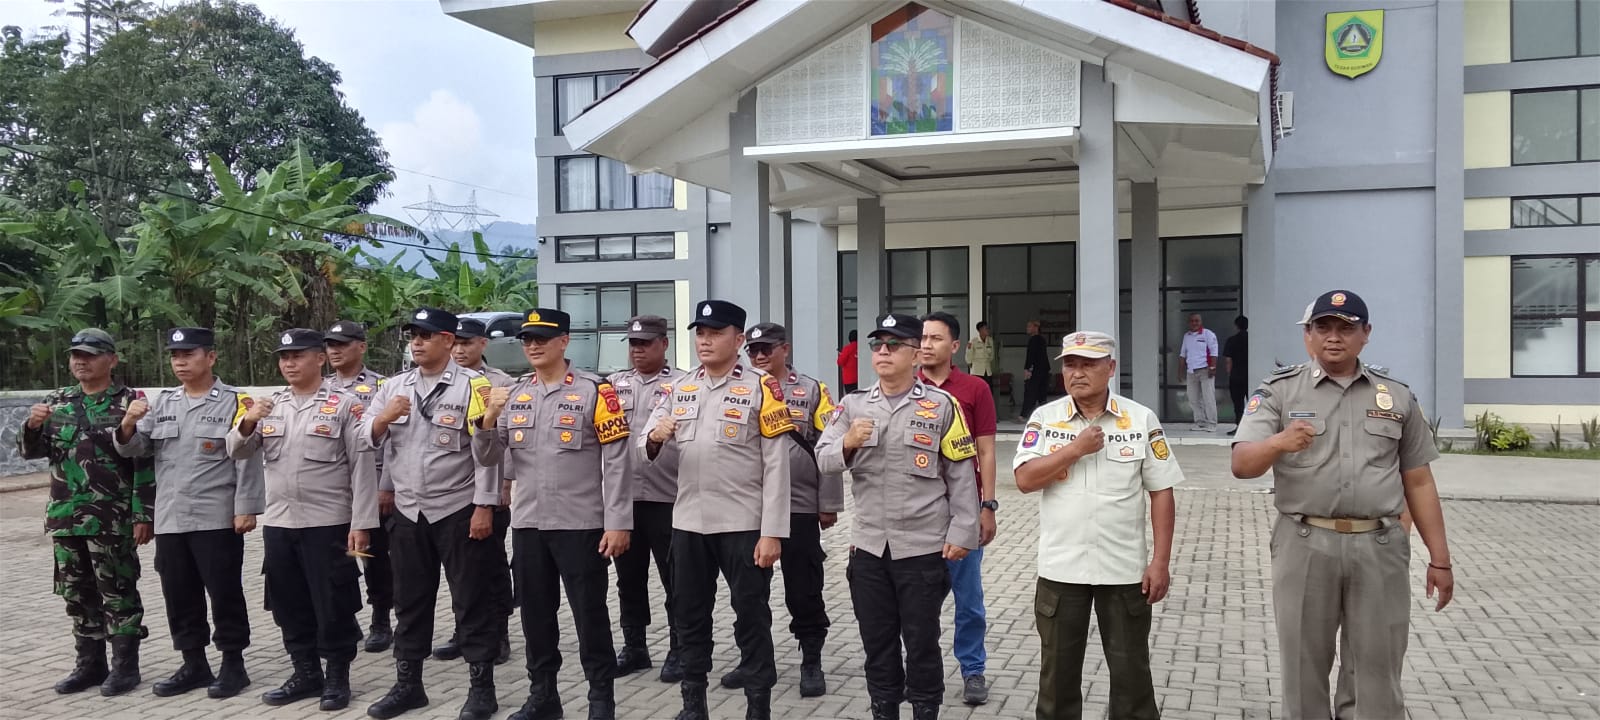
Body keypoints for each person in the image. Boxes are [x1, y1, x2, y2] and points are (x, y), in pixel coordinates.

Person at [1231, 290, 1455, 719]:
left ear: (1365, 334)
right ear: (1308, 337)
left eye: (1346, 328)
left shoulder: (1397, 397)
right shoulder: (1278, 392)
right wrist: (1279, 441)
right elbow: (1242, 464)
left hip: (1379, 546)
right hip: (1304, 542)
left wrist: (1439, 560)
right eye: (1324, 328)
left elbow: (1420, 481)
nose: (1334, 337)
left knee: (1377, 669)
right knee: (1303, 666)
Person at [816, 312, 980, 720]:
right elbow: (822, 458)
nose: (883, 352)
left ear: (914, 353)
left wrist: (964, 531)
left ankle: (926, 710)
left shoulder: (942, 406)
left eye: (893, 345)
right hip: (870, 548)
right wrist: (848, 444)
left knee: (923, 641)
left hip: (923, 548)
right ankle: (884, 709)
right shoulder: (852, 405)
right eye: (877, 346)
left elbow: (961, 473)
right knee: (877, 643)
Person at [1014, 331, 1183, 720]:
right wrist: (1074, 449)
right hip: (1062, 570)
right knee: (1057, 682)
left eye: (1089, 364)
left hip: (1124, 571)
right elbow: (1024, 480)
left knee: (1132, 680)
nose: (1077, 373)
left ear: (1110, 369)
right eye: (1070, 364)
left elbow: (1161, 492)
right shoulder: (1045, 418)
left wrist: (1160, 562)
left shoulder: (1140, 419)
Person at [474, 308, 634, 720]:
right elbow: (489, 456)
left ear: (564, 341)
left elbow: (616, 463)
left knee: (589, 614)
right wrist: (488, 418)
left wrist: (618, 522)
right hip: (529, 524)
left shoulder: (596, 392)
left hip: (581, 525)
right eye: (527, 340)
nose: (533, 346)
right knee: (535, 615)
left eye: (542, 338)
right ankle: (544, 695)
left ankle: (601, 699)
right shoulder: (515, 394)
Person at [639, 299, 793, 720]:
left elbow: (777, 464)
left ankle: (757, 704)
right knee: (689, 617)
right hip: (688, 522)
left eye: (715, 333)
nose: (705, 341)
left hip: (743, 524)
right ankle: (694, 701)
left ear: (739, 340)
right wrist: (655, 437)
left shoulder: (763, 387)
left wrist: (772, 532)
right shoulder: (681, 387)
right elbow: (644, 447)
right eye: (700, 334)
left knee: (752, 618)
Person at [359, 308, 504, 720]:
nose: (416, 343)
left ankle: (482, 688)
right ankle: (409, 685)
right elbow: (365, 440)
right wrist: (383, 420)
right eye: (412, 336)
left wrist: (484, 505)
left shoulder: (475, 386)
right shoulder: (393, 387)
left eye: (425, 335)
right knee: (410, 601)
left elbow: (488, 454)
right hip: (408, 510)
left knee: (471, 599)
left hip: (457, 508)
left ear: (447, 339)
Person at [229, 329, 379, 711]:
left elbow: (362, 469)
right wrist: (248, 420)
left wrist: (361, 523)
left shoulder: (345, 405)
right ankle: (304, 671)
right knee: (288, 602)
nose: (289, 364)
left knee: (333, 602)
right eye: (284, 358)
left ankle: (337, 677)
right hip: (281, 522)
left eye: (297, 356)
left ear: (319, 359)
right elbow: (237, 450)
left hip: (328, 522)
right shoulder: (269, 405)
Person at [114, 327, 263, 700]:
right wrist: (129, 422)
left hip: (215, 515)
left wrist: (245, 508)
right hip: (170, 516)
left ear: (210, 357)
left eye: (189, 354)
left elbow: (246, 458)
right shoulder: (162, 403)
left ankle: (233, 664)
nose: (180, 362)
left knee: (224, 591)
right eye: (175, 356)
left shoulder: (234, 402)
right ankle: (193, 662)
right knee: (178, 593)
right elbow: (135, 450)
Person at [19, 328, 154, 697]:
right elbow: (32, 452)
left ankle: (125, 668)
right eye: (76, 354)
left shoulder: (129, 402)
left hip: (111, 518)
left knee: (117, 591)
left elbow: (143, 463)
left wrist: (143, 515)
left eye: (91, 355)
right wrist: (32, 425)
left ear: (112, 360)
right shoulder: (57, 401)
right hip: (66, 516)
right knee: (76, 593)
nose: (81, 361)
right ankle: (90, 664)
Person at [726, 322, 842, 698]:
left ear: (784, 349)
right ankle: (752, 660)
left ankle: (811, 660)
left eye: (767, 349)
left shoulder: (811, 391)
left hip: (799, 506)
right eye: (753, 350)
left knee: (804, 587)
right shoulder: (734, 387)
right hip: (747, 507)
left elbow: (829, 446)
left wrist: (828, 502)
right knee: (747, 593)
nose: (759, 356)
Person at [916, 312, 998, 705]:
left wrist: (988, 506)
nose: (926, 344)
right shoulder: (904, 387)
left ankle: (973, 670)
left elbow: (986, 449)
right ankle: (917, 669)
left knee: (969, 600)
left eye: (935, 338)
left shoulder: (974, 388)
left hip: (963, 511)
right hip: (917, 516)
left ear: (954, 346)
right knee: (916, 601)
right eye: (922, 337)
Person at [433, 317, 515, 666]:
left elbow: (507, 442)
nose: (460, 350)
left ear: (483, 343)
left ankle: (498, 632)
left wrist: (506, 483)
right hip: (453, 494)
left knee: (492, 565)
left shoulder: (501, 384)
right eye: (455, 344)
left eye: (468, 343)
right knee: (460, 573)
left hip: (492, 490)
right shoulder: (441, 383)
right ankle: (464, 630)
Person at [608, 315, 685, 682]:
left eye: (646, 343)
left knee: (676, 580)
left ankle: (680, 648)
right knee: (629, 578)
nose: (638, 350)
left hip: (668, 497)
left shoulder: (682, 385)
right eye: (634, 344)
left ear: (664, 344)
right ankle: (635, 646)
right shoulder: (613, 385)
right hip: (624, 498)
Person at [323, 320, 395, 654]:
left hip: (373, 483)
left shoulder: (384, 386)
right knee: (337, 557)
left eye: (342, 344)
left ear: (361, 347)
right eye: (330, 345)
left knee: (373, 556)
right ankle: (346, 619)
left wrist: (386, 486)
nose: (334, 351)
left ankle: (381, 618)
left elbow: (394, 443)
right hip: (333, 490)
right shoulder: (320, 387)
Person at [1179, 313, 1220, 432]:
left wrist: (1213, 368)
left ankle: (1212, 423)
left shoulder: (1208, 334)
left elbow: (1214, 352)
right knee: (1193, 398)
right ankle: (1200, 422)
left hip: (1205, 370)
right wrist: (1180, 372)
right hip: (1191, 372)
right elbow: (1182, 354)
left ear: (1200, 322)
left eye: (1197, 321)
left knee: (1208, 398)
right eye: (1192, 321)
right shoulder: (1187, 336)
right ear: (1189, 322)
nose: (1194, 323)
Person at [1222, 316, 1249, 435]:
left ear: (1236, 326)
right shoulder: (1252, 339)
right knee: (1254, 403)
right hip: (1250, 375)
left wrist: (1229, 373)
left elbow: (1228, 360)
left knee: (1238, 404)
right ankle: (1254, 428)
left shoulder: (1232, 340)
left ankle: (1240, 427)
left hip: (1236, 376)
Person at [1020, 320, 1050, 421]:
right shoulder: (1042, 339)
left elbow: (1031, 356)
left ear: (1036, 328)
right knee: (1042, 394)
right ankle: (1045, 416)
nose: (1027, 328)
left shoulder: (1034, 340)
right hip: (1044, 370)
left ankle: (1024, 415)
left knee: (1030, 392)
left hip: (1036, 371)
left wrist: (1028, 369)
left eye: (1029, 326)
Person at [964, 321, 996, 388]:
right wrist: (971, 364)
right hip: (977, 372)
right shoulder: (973, 341)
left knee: (989, 390)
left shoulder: (990, 340)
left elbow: (992, 355)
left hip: (988, 371)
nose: (988, 330)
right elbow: (968, 355)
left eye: (988, 328)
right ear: (980, 330)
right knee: (977, 391)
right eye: (986, 328)